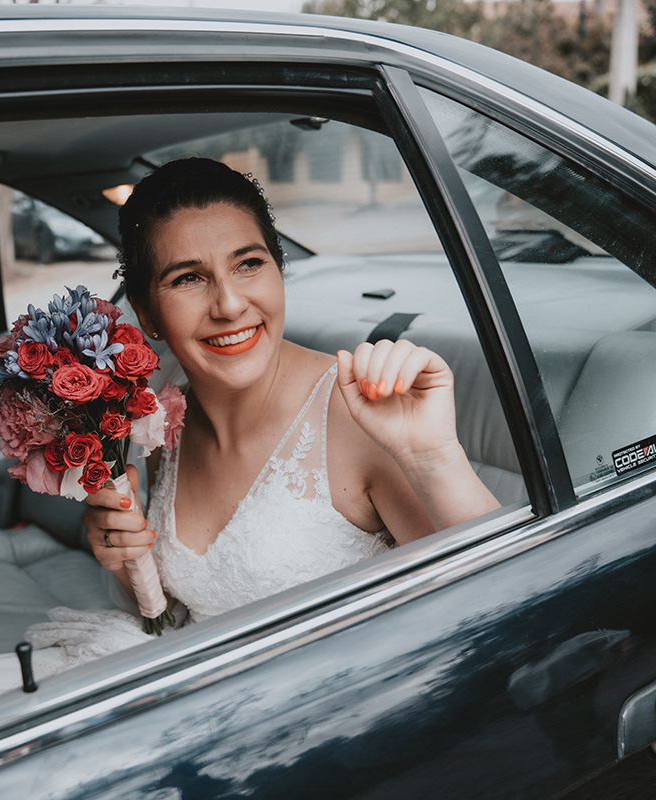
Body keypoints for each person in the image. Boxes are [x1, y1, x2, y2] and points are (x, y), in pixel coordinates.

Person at [84, 157, 500, 627]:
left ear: (278, 273)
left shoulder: (360, 416)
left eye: (248, 264)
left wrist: (433, 457)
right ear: (148, 314)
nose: (230, 304)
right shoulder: (166, 420)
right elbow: (184, 615)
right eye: (189, 278)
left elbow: (507, 601)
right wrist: (124, 561)